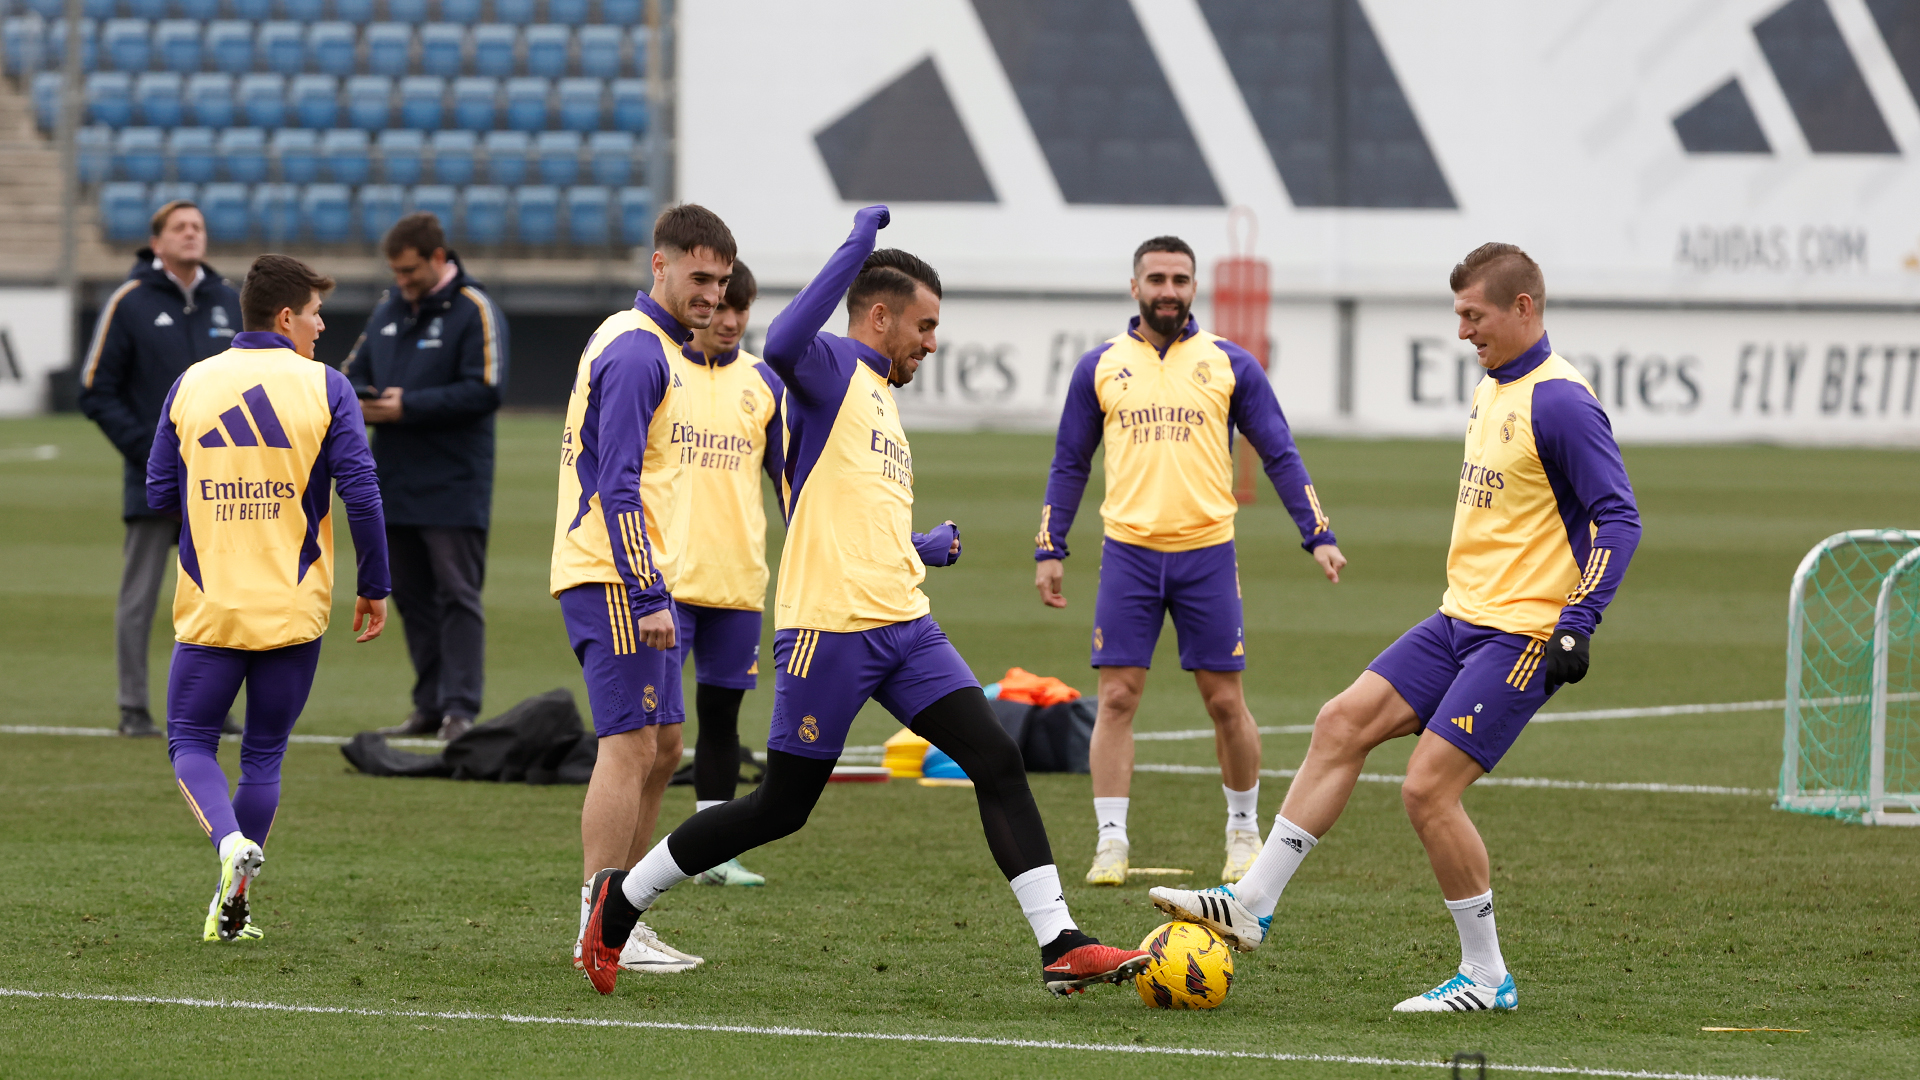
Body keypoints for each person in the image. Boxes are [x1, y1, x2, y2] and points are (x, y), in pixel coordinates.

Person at [579, 205, 1151, 998]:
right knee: (781, 807)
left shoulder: (879, 393)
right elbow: (780, 344)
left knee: (995, 756)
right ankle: (619, 902)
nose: (932, 341)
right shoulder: (827, 369)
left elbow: (841, 511)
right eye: (923, 324)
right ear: (877, 315)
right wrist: (855, 248)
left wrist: (919, 548)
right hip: (830, 630)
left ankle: (1060, 940)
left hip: (904, 624)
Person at [1147, 243, 1641, 1014]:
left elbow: (1618, 516)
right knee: (1340, 723)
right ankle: (1251, 903)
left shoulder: (1561, 401)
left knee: (1427, 791)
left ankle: (1486, 977)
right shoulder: (1493, 391)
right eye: (1458, 317)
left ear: (1523, 308)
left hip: (1522, 637)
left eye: (1474, 316)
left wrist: (1580, 621)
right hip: (1459, 618)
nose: (1462, 333)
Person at [1033, 235, 1345, 887]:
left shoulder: (1231, 364)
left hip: (1206, 554)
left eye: (1179, 279)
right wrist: (1050, 546)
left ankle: (1242, 833)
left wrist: (1316, 531)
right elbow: (1070, 462)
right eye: (1156, 279)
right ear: (1135, 287)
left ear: (1193, 287)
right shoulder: (1100, 366)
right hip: (1129, 556)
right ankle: (1111, 842)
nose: (1168, 290)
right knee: (1116, 697)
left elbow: (1280, 452)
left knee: (1225, 702)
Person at [145, 254, 390, 941]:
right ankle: (235, 895)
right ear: (286, 317)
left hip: (212, 603)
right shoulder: (327, 387)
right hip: (294, 606)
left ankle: (227, 846)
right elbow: (363, 493)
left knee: (190, 739)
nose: (320, 327)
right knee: (264, 754)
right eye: (314, 314)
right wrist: (375, 584)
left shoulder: (191, 384)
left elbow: (160, 493)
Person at [553, 203, 733, 977]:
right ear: (658, 266)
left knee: (663, 747)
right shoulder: (636, 352)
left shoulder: (652, 345)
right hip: (613, 575)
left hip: (629, 573)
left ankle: (621, 917)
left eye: (721, 282)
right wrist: (648, 590)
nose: (711, 296)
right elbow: (617, 484)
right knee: (630, 744)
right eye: (698, 277)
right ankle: (600, 923)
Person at [78, 200, 243, 738]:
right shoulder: (128, 302)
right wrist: (149, 453)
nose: (192, 234)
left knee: (220, 598)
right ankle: (132, 708)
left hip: (220, 482)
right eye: (180, 227)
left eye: (198, 226)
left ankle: (214, 707)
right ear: (156, 242)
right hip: (155, 482)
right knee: (141, 597)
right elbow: (95, 390)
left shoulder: (227, 300)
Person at [345, 212, 508, 743]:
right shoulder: (389, 308)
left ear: (439, 258)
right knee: (412, 596)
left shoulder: (474, 309)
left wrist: (407, 406)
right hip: (393, 479)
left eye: (410, 269)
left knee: (457, 594)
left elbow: (486, 387)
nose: (402, 280)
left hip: (454, 482)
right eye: (395, 271)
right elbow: (353, 372)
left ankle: (461, 708)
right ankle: (428, 704)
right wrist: (368, 401)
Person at [668, 259, 783, 888]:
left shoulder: (765, 385)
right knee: (656, 730)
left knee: (722, 721)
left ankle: (711, 853)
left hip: (738, 583)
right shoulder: (662, 369)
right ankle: (631, 854)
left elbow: (790, 484)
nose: (732, 320)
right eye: (722, 307)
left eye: (743, 309)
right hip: (666, 584)